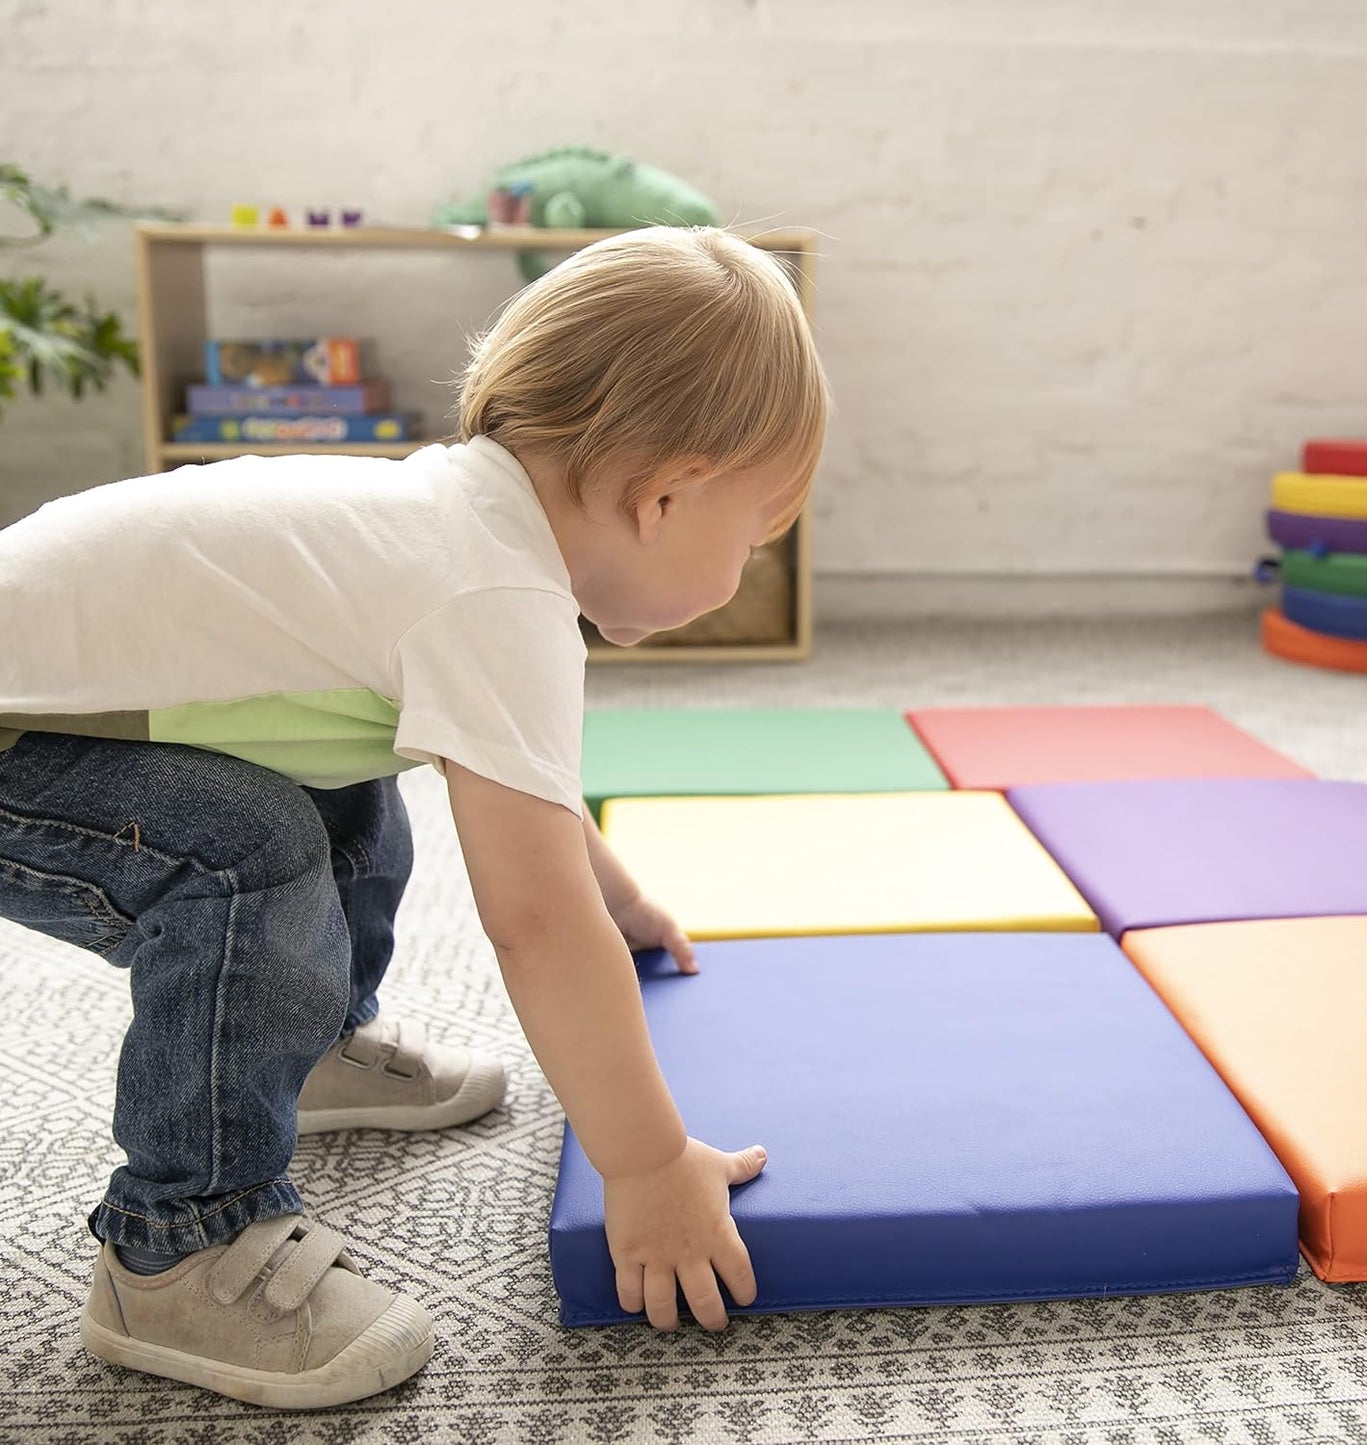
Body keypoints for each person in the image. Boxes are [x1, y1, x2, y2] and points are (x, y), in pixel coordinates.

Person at [0, 226, 829, 1410]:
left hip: (49, 706)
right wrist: (645, 1163)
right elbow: (535, 922)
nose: (743, 568)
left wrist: (623, 897)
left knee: (346, 775)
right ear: (665, 494)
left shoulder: (458, 527)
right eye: (752, 539)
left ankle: (313, 1040)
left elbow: (526, 798)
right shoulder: (492, 591)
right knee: (249, 850)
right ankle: (179, 1241)